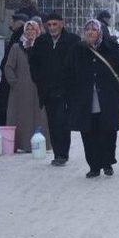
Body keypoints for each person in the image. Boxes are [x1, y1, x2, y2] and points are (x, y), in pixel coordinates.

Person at [64, 19, 119, 178]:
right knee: (88, 133)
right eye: (87, 29)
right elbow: (68, 75)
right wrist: (68, 97)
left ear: (101, 32)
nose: (90, 32)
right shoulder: (77, 50)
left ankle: (107, 162)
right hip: (84, 100)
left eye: (94, 29)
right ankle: (94, 166)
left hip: (109, 99)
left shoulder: (113, 49)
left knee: (108, 132)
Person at [29, 13, 80, 166]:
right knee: (52, 122)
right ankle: (59, 152)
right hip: (48, 90)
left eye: (55, 24)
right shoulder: (41, 42)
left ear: (62, 24)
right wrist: (39, 81)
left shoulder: (72, 41)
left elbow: (78, 65)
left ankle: (62, 154)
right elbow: (34, 64)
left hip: (66, 91)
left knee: (62, 121)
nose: (52, 28)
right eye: (49, 25)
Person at [4, 20, 51, 153]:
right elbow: (8, 68)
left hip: (38, 89)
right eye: (28, 30)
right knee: (20, 117)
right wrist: (15, 83)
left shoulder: (42, 46)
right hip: (20, 90)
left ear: (37, 31)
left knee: (38, 117)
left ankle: (38, 144)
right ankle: (21, 144)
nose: (30, 32)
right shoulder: (16, 47)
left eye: (33, 30)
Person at [0, 12, 29, 126]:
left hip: (12, 79)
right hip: (10, 78)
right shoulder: (17, 35)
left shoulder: (20, 38)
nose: (10, 23)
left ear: (19, 23)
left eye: (12, 21)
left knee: (6, 108)